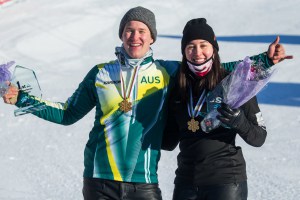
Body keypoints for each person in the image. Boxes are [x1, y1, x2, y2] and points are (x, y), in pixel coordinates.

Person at [2, 7, 291, 200]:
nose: (135, 35)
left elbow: (214, 65)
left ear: (152, 37)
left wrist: (265, 60)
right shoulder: (100, 73)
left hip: (145, 183)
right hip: (99, 180)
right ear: (121, 35)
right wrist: (24, 98)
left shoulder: (168, 72)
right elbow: (66, 114)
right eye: (129, 29)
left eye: (142, 30)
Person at [161, 18, 293, 200]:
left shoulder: (234, 83)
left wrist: (239, 121)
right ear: (184, 51)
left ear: (214, 48)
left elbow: (259, 138)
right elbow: (168, 142)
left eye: (203, 45)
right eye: (190, 46)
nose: (197, 52)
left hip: (225, 183)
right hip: (186, 183)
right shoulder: (178, 89)